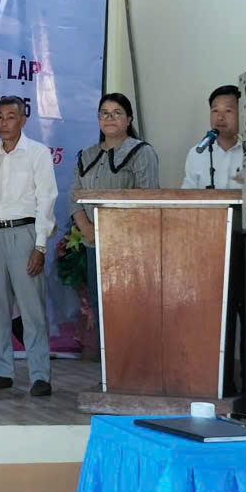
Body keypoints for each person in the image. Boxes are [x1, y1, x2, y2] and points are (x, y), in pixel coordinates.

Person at [0, 97, 58, 397]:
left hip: (25, 233)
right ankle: (3, 370)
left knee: (31, 307)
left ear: (23, 120)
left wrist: (40, 246)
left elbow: (46, 199)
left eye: (11, 117)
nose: (4, 123)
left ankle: (40, 374)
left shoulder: (37, 153)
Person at [69, 93, 159, 344]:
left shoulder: (141, 152)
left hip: (128, 246)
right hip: (93, 243)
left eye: (117, 113)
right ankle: (109, 363)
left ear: (129, 119)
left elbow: (148, 200)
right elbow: (74, 198)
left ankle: (133, 362)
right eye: (104, 113)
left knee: (128, 306)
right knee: (100, 305)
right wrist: (86, 228)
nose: (109, 118)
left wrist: (116, 233)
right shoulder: (86, 155)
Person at [181, 84, 246, 395]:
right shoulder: (198, 153)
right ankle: (216, 383)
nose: (220, 117)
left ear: (241, 114)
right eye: (215, 111)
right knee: (213, 314)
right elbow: (186, 197)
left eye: (228, 111)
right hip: (208, 243)